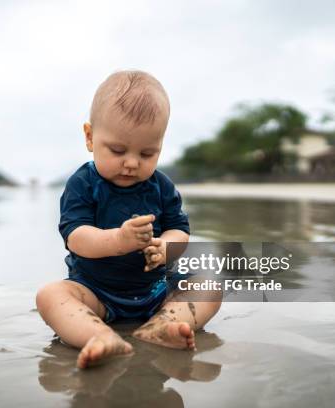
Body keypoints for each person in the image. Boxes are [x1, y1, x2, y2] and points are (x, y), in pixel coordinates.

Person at [36, 70, 222, 369]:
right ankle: (97, 334)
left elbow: (179, 229)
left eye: (148, 153)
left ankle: (162, 325)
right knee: (51, 295)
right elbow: (76, 237)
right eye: (118, 150)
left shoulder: (161, 186)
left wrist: (166, 247)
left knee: (208, 287)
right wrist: (118, 240)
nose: (133, 163)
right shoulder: (83, 184)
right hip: (96, 293)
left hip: (156, 290)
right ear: (90, 137)